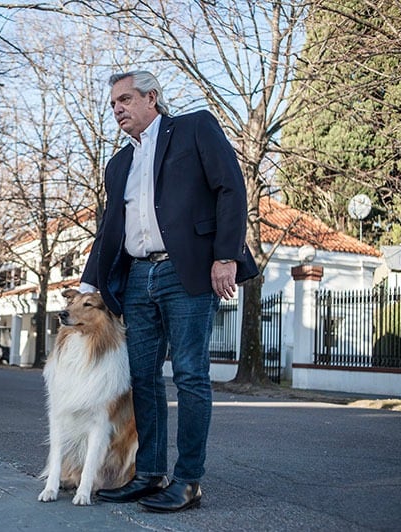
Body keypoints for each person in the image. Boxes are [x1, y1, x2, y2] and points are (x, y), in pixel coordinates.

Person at [80, 71, 258, 513]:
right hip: (138, 276)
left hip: (187, 271)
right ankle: (150, 474)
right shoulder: (118, 164)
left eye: (125, 99)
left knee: (190, 375)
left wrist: (226, 256)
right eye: (113, 104)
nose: (118, 109)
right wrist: (88, 284)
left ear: (151, 98)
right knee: (142, 378)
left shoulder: (194, 128)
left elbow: (230, 188)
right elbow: (109, 230)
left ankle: (188, 481)